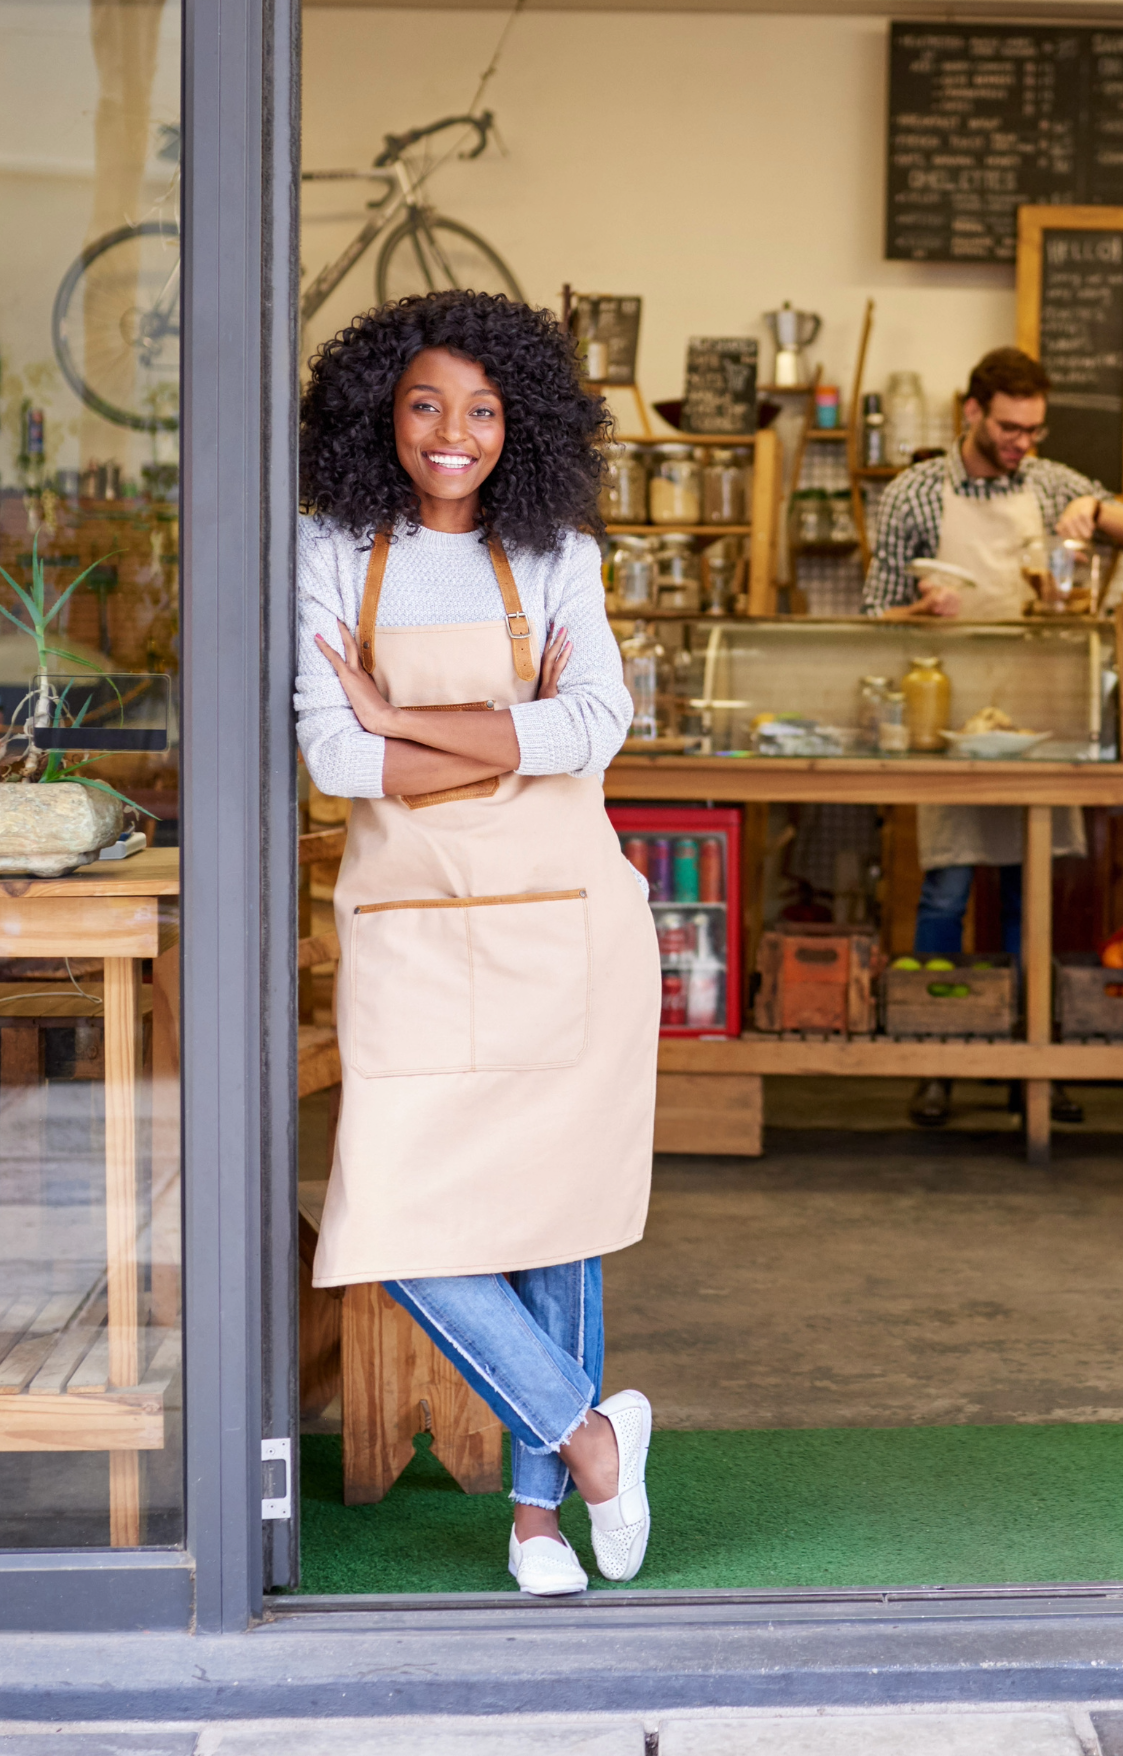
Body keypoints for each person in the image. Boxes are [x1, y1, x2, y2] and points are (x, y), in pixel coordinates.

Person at [295, 289, 661, 1596]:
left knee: (550, 1214)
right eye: (426, 405)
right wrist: (505, 731)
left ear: (526, 424)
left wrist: (407, 715)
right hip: (410, 932)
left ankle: (535, 1519)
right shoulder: (330, 543)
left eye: (485, 410)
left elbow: (597, 729)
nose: (454, 433)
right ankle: (592, 1440)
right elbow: (338, 757)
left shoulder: (556, 548)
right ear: (379, 414)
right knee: (390, 1221)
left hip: (563, 922)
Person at [861, 347, 1123, 1129]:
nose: (1023, 441)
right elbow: (869, 620)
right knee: (946, 891)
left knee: (1033, 897)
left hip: (1037, 724)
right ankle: (939, 1062)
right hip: (945, 720)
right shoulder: (915, 495)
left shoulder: (1053, 483)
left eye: (1034, 428)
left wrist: (1098, 514)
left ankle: (1038, 1064)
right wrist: (917, 615)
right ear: (972, 412)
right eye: (1009, 427)